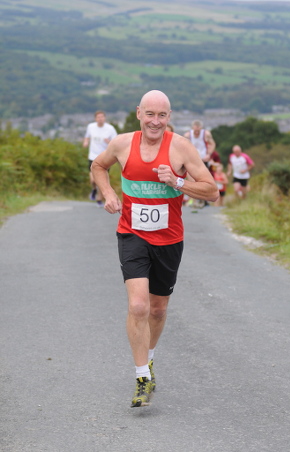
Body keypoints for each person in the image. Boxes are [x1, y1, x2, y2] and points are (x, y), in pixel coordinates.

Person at [91, 90, 219, 408]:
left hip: (169, 238)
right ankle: (141, 378)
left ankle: (148, 360)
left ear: (169, 117)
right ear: (138, 114)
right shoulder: (122, 143)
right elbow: (98, 166)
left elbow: (212, 191)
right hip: (132, 234)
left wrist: (177, 182)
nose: (155, 121)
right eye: (150, 114)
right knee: (138, 307)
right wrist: (107, 193)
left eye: (162, 115)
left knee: (158, 309)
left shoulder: (181, 147)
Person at [83, 111, 117, 206]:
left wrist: (109, 141)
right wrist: (85, 142)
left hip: (105, 157)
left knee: (102, 180)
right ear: (95, 118)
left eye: (102, 117)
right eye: (98, 117)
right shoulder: (91, 127)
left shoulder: (110, 129)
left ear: (105, 118)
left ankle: (99, 199)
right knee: (93, 180)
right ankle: (94, 189)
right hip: (93, 156)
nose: (100, 119)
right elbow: (87, 137)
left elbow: (116, 142)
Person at [184, 120, 216, 207]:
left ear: (201, 128)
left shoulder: (206, 134)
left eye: (198, 129)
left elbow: (212, 144)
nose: (197, 131)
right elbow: (183, 147)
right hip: (192, 160)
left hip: (203, 159)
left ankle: (204, 199)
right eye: (195, 129)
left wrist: (209, 154)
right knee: (192, 180)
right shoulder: (188, 135)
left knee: (204, 180)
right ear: (192, 128)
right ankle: (194, 200)